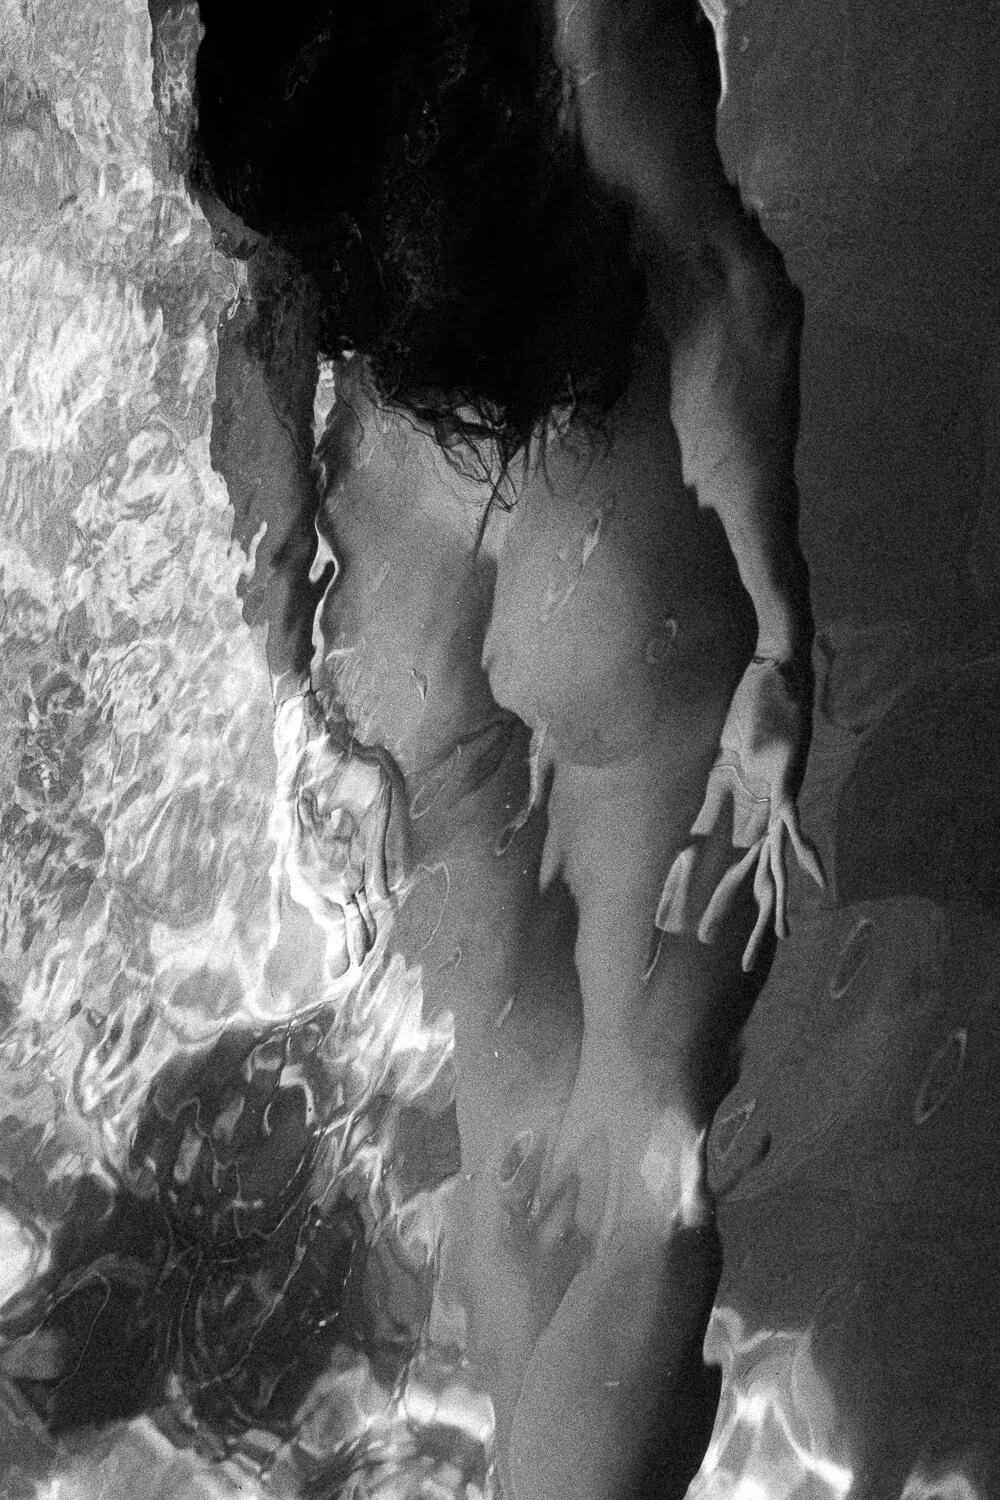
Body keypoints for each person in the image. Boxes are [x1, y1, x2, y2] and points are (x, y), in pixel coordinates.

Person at [187, 0, 823, 1494]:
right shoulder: (590, 23)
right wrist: (785, 642)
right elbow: (731, 297)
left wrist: (278, 573)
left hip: (390, 552)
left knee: (503, 1093)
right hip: (607, 548)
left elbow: (263, 287)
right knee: (639, 1151)